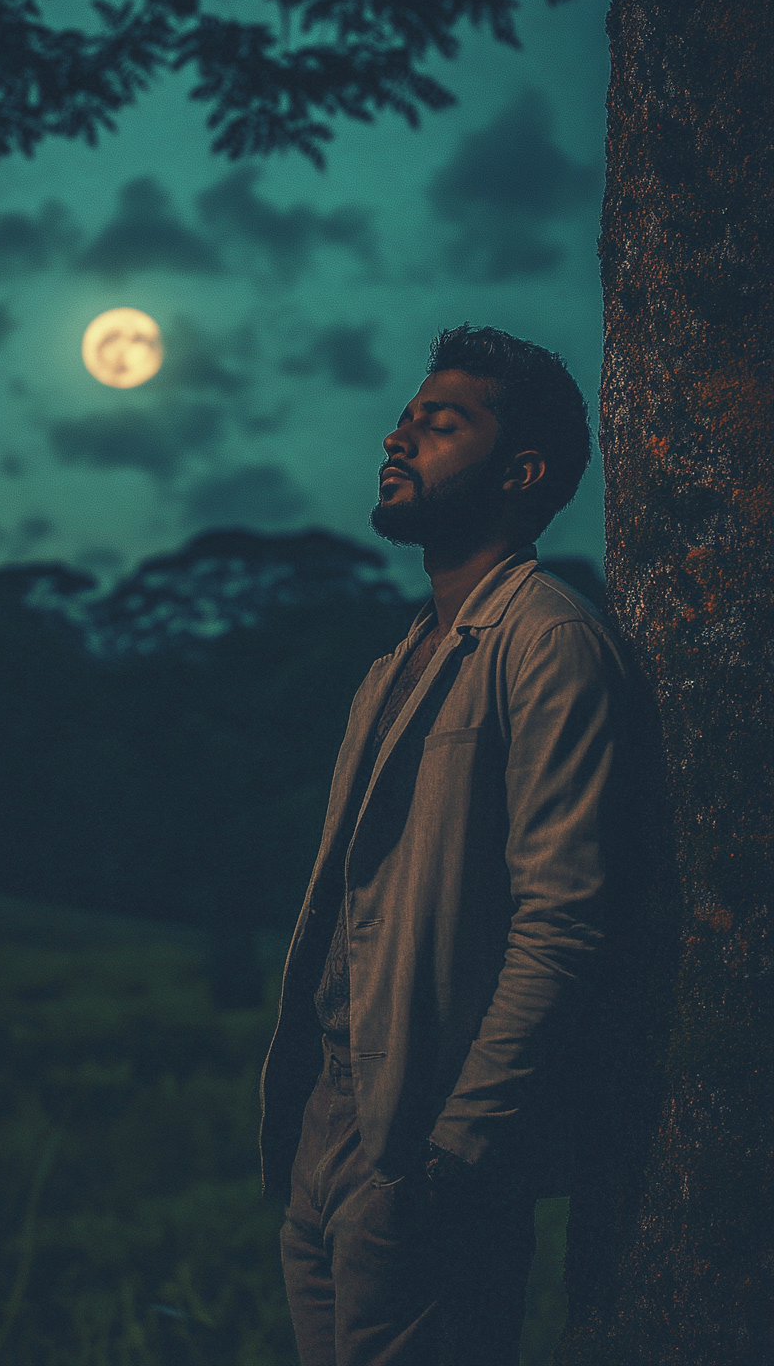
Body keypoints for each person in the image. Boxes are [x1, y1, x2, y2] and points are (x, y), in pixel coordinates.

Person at [259, 324, 627, 1366]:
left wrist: (457, 1149)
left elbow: (565, 919)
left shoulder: (549, 639)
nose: (396, 435)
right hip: (334, 1135)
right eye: (405, 415)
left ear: (522, 472)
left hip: (423, 1151)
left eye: (439, 420)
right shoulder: (394, 666)